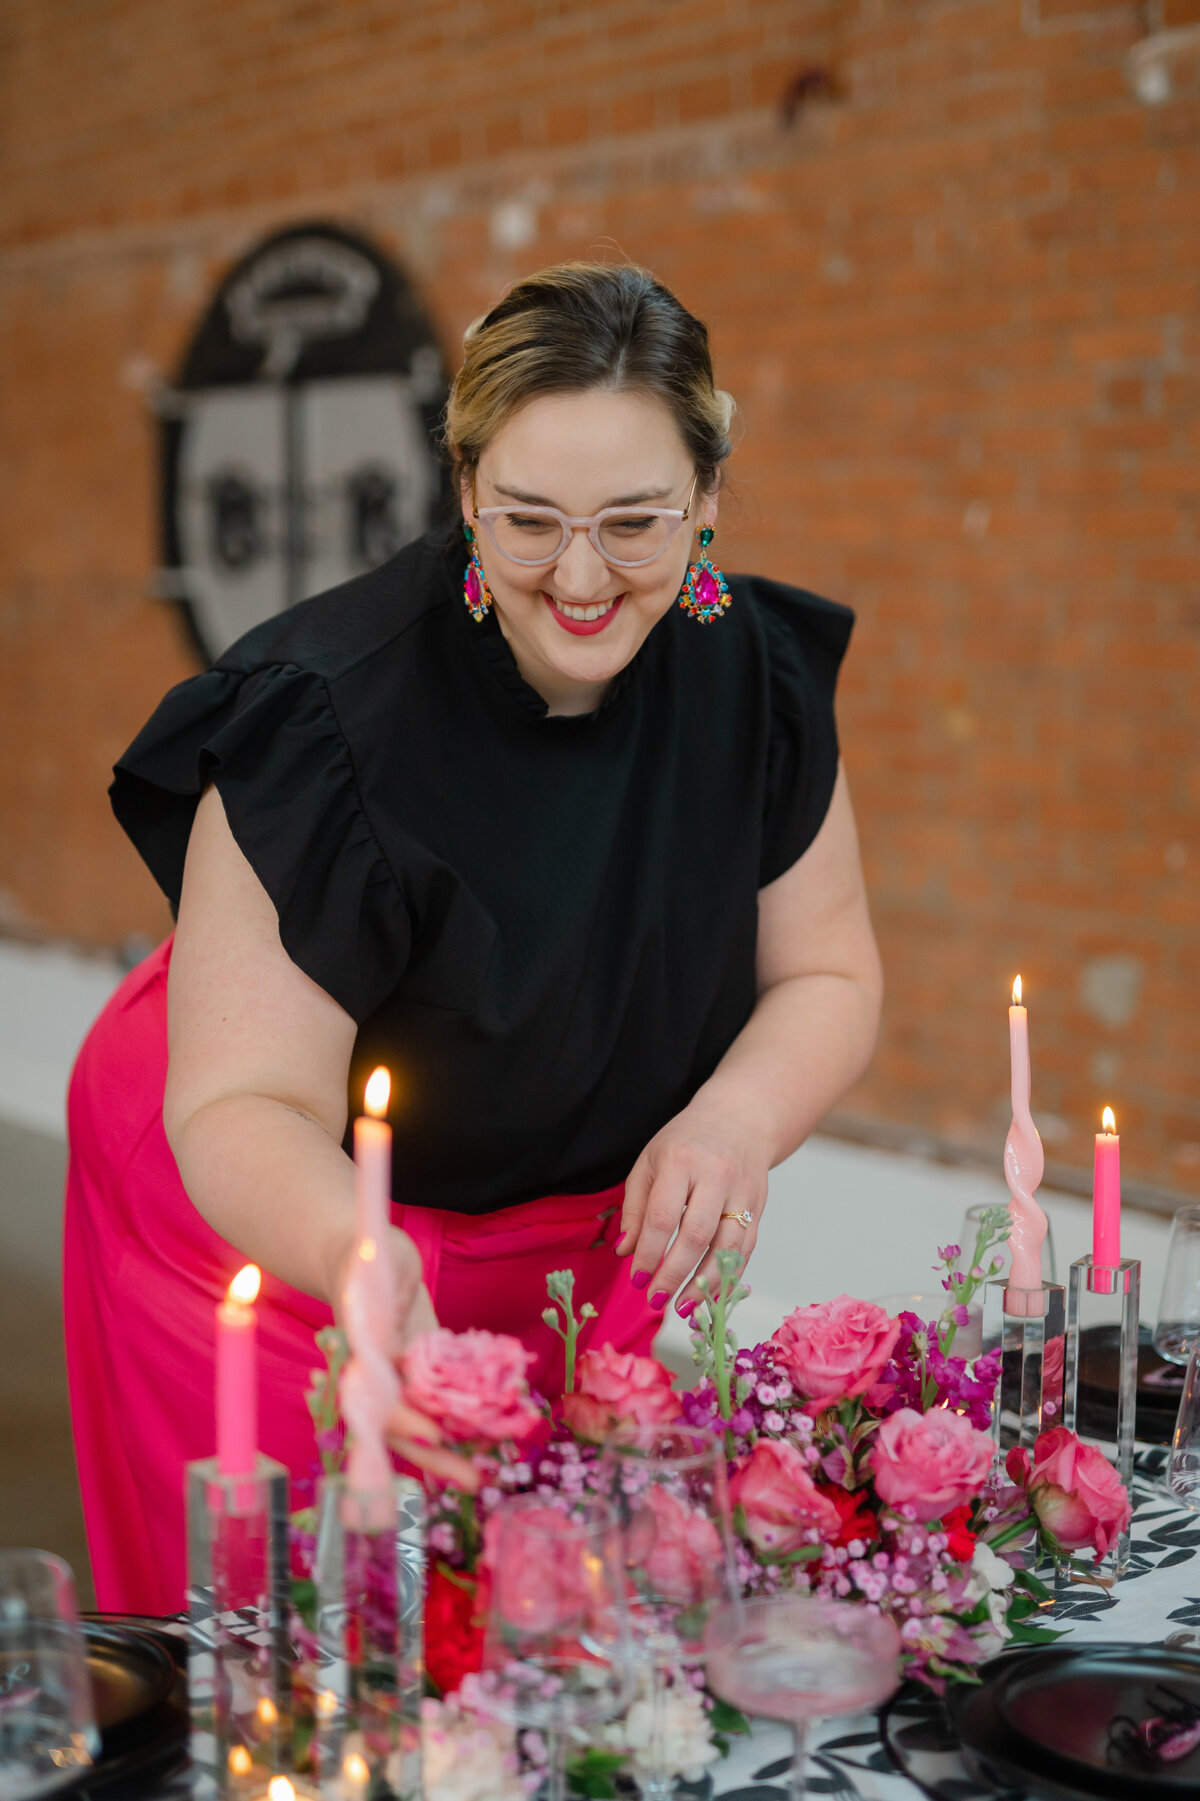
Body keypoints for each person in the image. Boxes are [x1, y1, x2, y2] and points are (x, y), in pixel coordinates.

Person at [64, 262, 883, 1614]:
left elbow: (829, 969)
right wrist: (356, 1256)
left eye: (635, 524)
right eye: (527, 522)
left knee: (560, 1634)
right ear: (461, 489)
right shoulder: (324, 713)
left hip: (557, 1216)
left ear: (711, 499)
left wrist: (735, 1115)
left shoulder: (760, 678)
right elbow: (242, 1098)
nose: (578, 578)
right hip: (271, 1205)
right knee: (333, 1639)